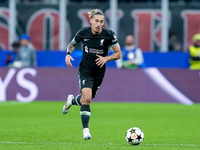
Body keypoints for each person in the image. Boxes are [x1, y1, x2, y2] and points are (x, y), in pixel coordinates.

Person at [62, 9, 121, 140]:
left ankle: (71, 101)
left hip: (99, 73)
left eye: (101, 21)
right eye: (96, 21)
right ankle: (86, 131)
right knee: (87, 99)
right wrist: (68, 54)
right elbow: (71, 45)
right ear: (91, 21)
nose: (99, 24)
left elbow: (118, 54)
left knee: (85, 100)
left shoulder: (109, 35)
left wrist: (106, 58)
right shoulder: (83, 33)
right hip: (85, 71)